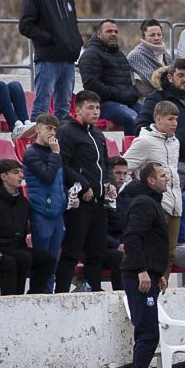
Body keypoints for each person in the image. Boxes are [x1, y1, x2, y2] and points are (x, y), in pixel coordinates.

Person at [120, 162, 170, 368]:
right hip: (138, 276)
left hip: (147, 273)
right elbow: (132, 236)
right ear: (150, 180)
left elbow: (150, 241)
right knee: (148, 332)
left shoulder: (151, 202)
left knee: (148, 332)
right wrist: (142, 270)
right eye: (162, 176)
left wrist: (156, 271)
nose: (166, 180)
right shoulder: (143, 203)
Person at [55, 92, 113, 292]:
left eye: (97, 108)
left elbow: (105, 163)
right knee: (72, 251)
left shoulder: (97, 134)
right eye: (90, 107)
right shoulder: (66, 132)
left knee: (96, 252)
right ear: (77, 109)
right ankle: (61, 293)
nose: (95, 112)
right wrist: (83, 184)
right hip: (78, 202)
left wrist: (110, 182)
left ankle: (93, 292)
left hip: (98, 202)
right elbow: (61, 165)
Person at [18, 0, 82, 120]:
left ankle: (62, 144)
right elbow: (25, 26)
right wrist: (50, 38)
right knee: (42, 105)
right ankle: (35, 143)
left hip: (68, 60)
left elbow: (72, 22)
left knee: (64, 108)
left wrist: (77, 42)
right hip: (48, 60)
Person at [0, 159, 56, 294]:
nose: (21, 176)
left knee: (48, 259)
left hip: (18, 247)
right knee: (22, 258)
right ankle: (15, 300)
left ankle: (33, 297)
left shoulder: (23, 203)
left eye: (22, 172)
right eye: (16, 172)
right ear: (3, 176)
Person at [124, 100, 184, 271]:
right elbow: (123, 168)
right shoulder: (144, 141)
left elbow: (173, 173)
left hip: (175, 204)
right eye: (170, 119)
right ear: (158, 120)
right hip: (155, 205)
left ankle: (161, 293)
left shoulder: (175, 142)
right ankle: (148, 290)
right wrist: (141, 192)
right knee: (154, 251)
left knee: (170, 253)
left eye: (176, 119)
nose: (175, 123)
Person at [135, 59, 185, 187]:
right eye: (180, 75)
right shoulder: (156, 98)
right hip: (172, 164)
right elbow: (141, 127)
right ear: (170, 77)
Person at [22, 114, 66, 292]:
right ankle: (39, 294)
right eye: (48, 128)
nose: (52, 133)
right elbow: (47, 177)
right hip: (41, 212)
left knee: (54, 259)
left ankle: (49, 294)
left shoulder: (54, 151)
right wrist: (55, 154)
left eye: (55, 129)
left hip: (57, 211)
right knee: (43, 259)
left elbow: (60, 179)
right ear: (38, 129)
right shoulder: (32, 153)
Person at [77, 19, 141, 134]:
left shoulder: (119, 54)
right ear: (99, 34)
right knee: (132, 118)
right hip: (103, 104)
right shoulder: (91, 54)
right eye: (109, 31)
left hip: (124, 101)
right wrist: (118, 94)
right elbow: (91, 85)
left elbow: (127, 82)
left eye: (116, 32)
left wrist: (133, 93)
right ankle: (132, 150)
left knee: (151, 116)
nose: (113, 34)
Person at [126, 19, 172, 97]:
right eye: (152, 35)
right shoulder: (136, 55)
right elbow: (153, 80)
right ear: (144, 37)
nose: (157, 38)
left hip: (168, 93)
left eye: (159, 34)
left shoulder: (165, 53)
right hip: (148, 97)